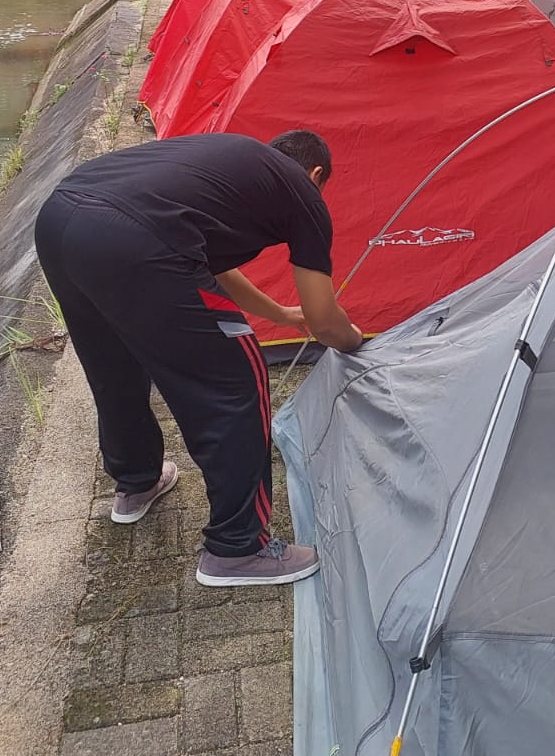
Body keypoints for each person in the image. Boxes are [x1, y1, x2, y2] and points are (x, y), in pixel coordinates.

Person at [34, 130, 363, 586]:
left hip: (59, 218)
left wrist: (282, 315)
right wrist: (356, 342)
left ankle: (137, 481)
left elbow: (212, 268)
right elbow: (326, 322)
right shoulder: (302, 191)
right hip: (131, 238)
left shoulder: (232, 168)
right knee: (236, 381)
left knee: (114, 364)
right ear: (316, 174)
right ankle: (238, 548)